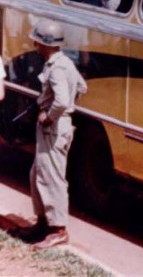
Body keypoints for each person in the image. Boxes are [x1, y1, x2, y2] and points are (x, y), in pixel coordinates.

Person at [11, 20, 87, 249]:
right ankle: (44, 222)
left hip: (53, 127)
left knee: (51, 177)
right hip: (56, 127)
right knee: (39, 173)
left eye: (37, 40)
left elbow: (63, 100)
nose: (35, 44)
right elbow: (82, 88)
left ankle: (58, 229)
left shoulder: (57, 68)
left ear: (45, 43)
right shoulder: (65, 63)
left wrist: (50, 115)